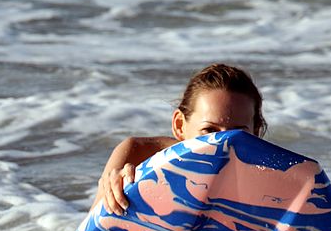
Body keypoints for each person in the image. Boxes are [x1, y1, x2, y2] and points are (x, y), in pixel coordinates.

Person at [93, 63, 267, 216]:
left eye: (237, 133)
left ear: (256, 132)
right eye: (209, 130)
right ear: (179, 125)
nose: (223, 145)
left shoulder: (274, 184)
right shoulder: (137, 156)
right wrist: (111, 194)